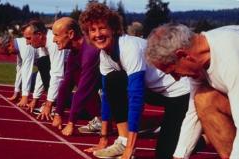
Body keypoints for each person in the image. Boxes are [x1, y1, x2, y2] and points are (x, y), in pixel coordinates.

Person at [79, 3, 191, 159]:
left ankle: (201, 136)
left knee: (164, 154)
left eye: (102, 28)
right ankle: (122, 141)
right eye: (92, 30)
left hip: (180, 94)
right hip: (154, 90)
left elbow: (136, 99)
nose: (98, 34)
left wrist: (131, 150)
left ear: (113, 28)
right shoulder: (104, 55)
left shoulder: (129, 48)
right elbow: (107, 96)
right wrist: (103, 139)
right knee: (113, 80)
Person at [146, 23, 239, 159]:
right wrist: (179, 156)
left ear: (182, 55)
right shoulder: (198, 56)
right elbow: (193, 113)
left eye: (173, 71)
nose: (176, 78)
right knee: (203, 100)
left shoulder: (231, 60)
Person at [48, 17, 101, 136]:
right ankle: (100, 119)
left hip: (124, 83)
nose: (53, 40)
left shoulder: (89, 52)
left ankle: (112, 119)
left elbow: (83, 90)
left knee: (85, 86)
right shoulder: (74, 52)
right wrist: (58, 113)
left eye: (56, 35)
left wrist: (71, 122)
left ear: (71, 34)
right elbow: (66, 84)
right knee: (75, 77)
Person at [23, 20, 67, 120]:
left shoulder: (53, 42)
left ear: (39, 35)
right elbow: (42, 72)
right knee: (42, 63)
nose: (27, 43)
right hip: (68, 67)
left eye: (29, 38)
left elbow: (57, 74)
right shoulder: (42, 44)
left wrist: (49, 104)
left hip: (80, 66)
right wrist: (35, 99)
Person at [0, 33, 43, 107]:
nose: (10, 54)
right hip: (46, 67)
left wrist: (24, 97)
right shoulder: (19, 47)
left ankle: (52, 102)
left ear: (9, 44)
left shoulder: (25, 46)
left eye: (8, 52)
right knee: (22, 83)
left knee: (35, 80)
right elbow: (19, 69)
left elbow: (27, 71)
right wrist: (16, 92)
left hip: (57, 66)